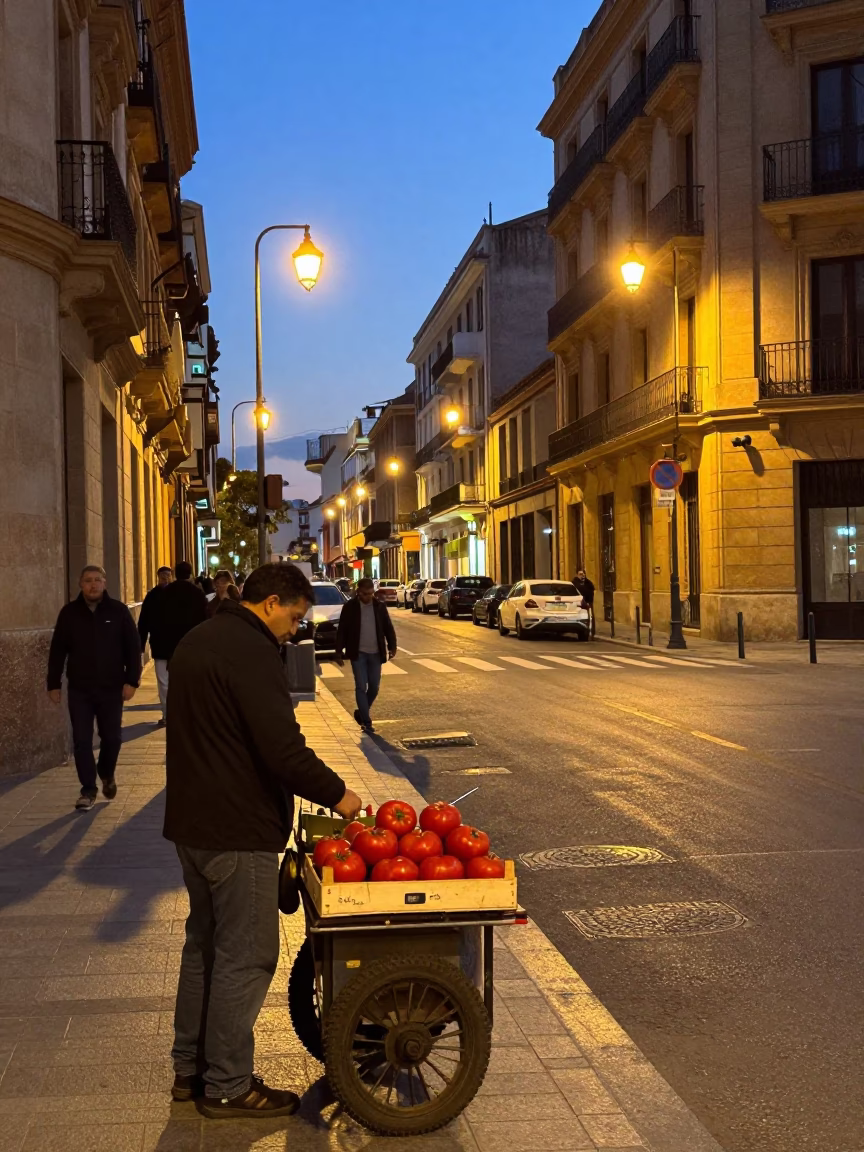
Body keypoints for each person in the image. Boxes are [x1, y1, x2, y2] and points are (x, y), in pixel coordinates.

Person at [163, 563, 362, 1119]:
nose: (296, 629)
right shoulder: (250, 652)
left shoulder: (198, 640)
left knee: (203, 947)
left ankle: (191, 1069)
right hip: (235, 826)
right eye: (295, 617)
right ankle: (227, 1083)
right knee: (247, 955)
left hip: (191, 823)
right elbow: (282, 751)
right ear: (271, 602)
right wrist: (340, 795)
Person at [47, 565, 141, 811]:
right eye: (88, 580)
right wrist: (53, 684)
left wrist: (132, 681)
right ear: (80, 584)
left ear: (104, 583)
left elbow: (133, 648)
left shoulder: (118, 612)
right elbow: (57, 650)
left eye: (97, 580)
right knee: (81, 740)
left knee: (113, 738)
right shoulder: (69, 613)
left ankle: (106, 772)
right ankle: (88, 789)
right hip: (80, 689)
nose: (93, 585)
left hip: (111, 689)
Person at [140, 561, 207, 726]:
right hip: (189, 645)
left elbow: (148, 620)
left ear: (175, 574)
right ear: (190, 573)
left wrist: (142, 643)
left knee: (164, 682)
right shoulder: (197, 594)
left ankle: (168, 714)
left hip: (163, 645)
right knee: (187, 680)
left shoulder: (162, 594)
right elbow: (205, 620)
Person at [335, 576, 397, 735]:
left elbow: (388, 627)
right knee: (361, 686)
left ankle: (361, 712)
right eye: (364, 594)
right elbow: (342, 630)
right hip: (358, 653)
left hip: (376, 653)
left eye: (370, 594)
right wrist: (338, 651)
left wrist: (392, 646)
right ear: (358, 592)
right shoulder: (350, 607)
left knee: (374, 687)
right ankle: (366, 721)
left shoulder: (379, 607)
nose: (368, 597)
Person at [138, 566, 173, 723]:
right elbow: (143, 622)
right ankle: (167, 714)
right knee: (163, 682)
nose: (165, 578)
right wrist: (141, 644)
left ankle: (173, 713)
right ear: (158, 577)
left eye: (167, 575)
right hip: (159, 645)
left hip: (174, 646)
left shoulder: (176, 595)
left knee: (173, 681)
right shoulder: (152, 596)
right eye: (162, 576)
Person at [572, 568, 596, 637]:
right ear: (577, 575)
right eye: (580, 574)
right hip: (578, 603)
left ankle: (591, 633)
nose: (583, 576)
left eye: (584, 574)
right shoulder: (574, 583)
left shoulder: (588, 583)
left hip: (588, 602)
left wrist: (589, 601)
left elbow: (591, 591)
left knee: (590, 617)